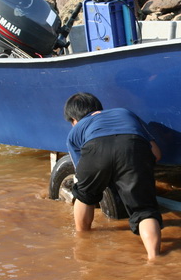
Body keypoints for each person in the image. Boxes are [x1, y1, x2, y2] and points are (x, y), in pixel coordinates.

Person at [64, 92, 163, 260]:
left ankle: (82, 242)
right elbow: (156, 153)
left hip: (94, 149)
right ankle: (154, 259)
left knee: (84, 194)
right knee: (144, 210)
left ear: (74, 119)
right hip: (132, 146)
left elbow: (82, 173)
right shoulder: (125, 113)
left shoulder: (76, 131)